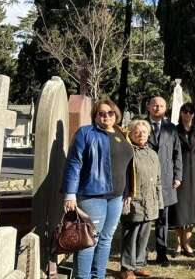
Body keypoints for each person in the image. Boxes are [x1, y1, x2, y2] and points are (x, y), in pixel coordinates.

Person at [62, 99, 134, 279]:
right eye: (101, 113)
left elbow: (127, 166)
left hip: (116, 197)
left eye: (110, 113)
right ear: (95, 115)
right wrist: (70, 194)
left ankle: (98, 276)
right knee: (88, 241)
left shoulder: (121, 134)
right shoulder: (85, 133)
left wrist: (129, 192)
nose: (106, 116)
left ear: (116, 114)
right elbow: (74, 164)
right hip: (92, 195)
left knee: (106, 240)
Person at [120, 120, 164, 279]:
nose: (141, 135)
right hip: (134, 201)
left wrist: (159, 202)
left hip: (150, 201)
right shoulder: (127, 152)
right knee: (130, 234)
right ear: (130, 134)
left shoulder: (152, 153)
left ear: (148, 135)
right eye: (137, 132)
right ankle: (126, 268)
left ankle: (139, 264)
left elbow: (158, 179)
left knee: (144, 234)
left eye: (144, 132)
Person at [169, 102, 195, 257]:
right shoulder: (174, 130)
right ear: (181, 114)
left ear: (194, 114)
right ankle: (178, 244)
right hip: (179, 172)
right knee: (179, 209)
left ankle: (187, 243)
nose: (187, 114)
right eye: (185, 112)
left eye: (190, 112)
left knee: (193, 209)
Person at [146, 96, 183, 267]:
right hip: (145, 180)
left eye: (161, 106)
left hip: (167, 180)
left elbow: (177, 154)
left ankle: (162, 254)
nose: (157, 108)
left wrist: (178, 176)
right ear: (148, 107)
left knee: (163, 220)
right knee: (144, 219)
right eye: (154, 105)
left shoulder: (171, 129)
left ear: (165, 109)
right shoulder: (141, 125)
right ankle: (141, 254)